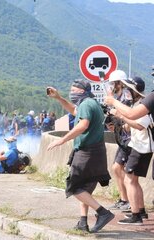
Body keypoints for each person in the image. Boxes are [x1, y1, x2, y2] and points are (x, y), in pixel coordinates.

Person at [46, 79, 113, 233]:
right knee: (85, 188)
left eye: (73, 90)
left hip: (87, 152)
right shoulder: (90, 103)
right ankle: (83, 222)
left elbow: (83, 125)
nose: (71, 92)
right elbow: (74, 111)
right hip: (95, 151)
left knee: (74, 186)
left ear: (82, 91)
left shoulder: (86, 104)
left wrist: (62, 140)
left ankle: (103, 213)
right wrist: (58, 98)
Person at [109, 77, 152, 225]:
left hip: (142, 147)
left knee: (129, 179)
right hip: (140, 145)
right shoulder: (138, 104)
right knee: (134, 180)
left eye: (128, 88)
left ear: (134, 90)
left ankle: (136, 216)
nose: (126, 91)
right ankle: (140, 211)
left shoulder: (143, 104)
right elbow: (133, 125)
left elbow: (140, 126)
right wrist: (120, 124)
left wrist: (120, 115)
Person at [106, 70, 133, 211]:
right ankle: (124, 199)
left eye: (113, 83)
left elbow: (126, 112)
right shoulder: (119, 96)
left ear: (119, 83)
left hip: (128, 139)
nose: (112, 86)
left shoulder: (126, 95)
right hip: (122, 137)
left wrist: (112, 101)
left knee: (119, 168)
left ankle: (127, 200)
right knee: (116, 168)